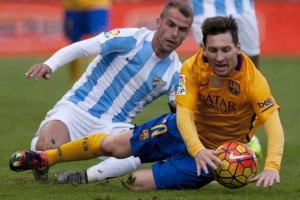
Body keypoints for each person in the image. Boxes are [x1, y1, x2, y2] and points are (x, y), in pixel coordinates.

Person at [10, 15, 284, 190]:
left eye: (226, 50)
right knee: (112, 145)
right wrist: (49, 63)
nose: (220, 57)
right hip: (180, 131)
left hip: (213, 153)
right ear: (203, 49)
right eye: (213, 50)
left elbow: (273, 124)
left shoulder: (253, 81)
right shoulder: (189, 68)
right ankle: (43, 157)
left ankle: (83, 177)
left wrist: (272, 166)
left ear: (238, 48)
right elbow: (183, 114)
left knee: (135, 182)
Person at [24, 0, 194, 184]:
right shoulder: (129, 38)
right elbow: (80, 47)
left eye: (182, 29)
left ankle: (81, 178)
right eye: (170, 25)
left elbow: (179, 114)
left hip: (114, 125)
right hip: (77, 109)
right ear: (158, 22)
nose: (174, 33)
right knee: (47, 145)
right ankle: (38, 149)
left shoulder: (179, 74)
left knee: (137, 152)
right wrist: (49, 64)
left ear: (187, 34)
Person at [189, 0, 263, 157]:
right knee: (214, 62)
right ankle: (211, 137)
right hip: (205, 5)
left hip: (242, 5)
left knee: (251, 67)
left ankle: (246, 134)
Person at [63, 0, 111, 83]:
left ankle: (96, 81)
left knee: (99, 43)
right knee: (74, 44)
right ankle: (75, 84)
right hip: (73, 7)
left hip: (97, 5)